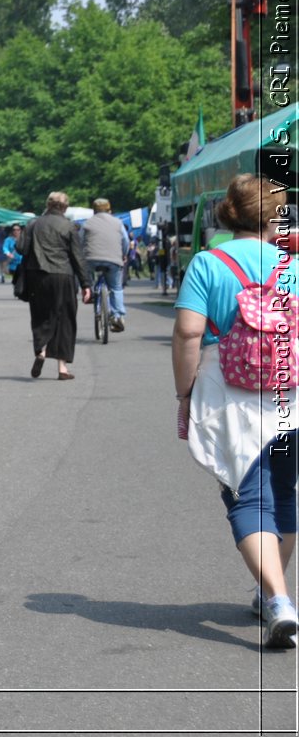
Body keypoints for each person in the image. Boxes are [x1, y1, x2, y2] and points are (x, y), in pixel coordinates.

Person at [172, 174, 296, 650]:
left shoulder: (208, 263)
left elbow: (187, 333)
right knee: (283, 490)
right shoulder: (292, 266)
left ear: (228, 212)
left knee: (248, 497)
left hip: (232, 393)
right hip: (291, 393)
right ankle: (272, 593)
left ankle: (280, 601)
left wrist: (184, 391)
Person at [20, 191, 92, 380]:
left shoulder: (33, 224)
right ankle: (62, 369)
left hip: (36, 275)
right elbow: (78, 257)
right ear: (65, 207)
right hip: (63, 275)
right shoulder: (69, 226)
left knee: (40, 315)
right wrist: (86, 284)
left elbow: (20, 248)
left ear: (48, 204)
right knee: (65, 319)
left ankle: (41, 351)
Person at [81, 197, 132, 333]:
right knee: (116, 287)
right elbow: (125, 240)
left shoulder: (87, 223)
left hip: (91, 259)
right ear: (109, 210)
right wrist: (124, 254)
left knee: (88, 276)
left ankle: (90, 292)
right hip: (113, 260)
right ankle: (117, 316)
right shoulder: (118, 223)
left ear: (94, 211)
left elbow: (80, 241)